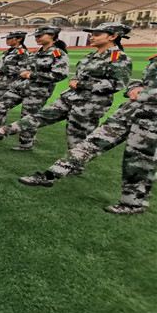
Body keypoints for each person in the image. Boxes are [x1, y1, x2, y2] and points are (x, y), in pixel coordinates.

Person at [17, 51, 156, 215]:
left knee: (139, 160)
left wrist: (144, 94)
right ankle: (50, 175)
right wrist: (135, 87)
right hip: (128, 112)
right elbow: (142, 83)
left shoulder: (118, 57)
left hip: (151, 120)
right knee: (90, 143)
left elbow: (126, 85)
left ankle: (133, 203)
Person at [0, 23, 132, 151]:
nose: (92, 37)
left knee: (76, 137)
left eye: (97, 34)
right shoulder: (91, 56)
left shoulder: (119, 58)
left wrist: (81, 84)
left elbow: (117, 84)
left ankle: (73, 163)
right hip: (69, 97)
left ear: (113, 36)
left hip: (90, 103)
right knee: (36, 117)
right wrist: (77, 81)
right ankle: (2, 131)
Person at [0, 25, 70, 151]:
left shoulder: (57, 54)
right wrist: (25, 73)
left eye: (40, 36)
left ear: (52, 36)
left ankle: (25, 144)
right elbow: (23, 68)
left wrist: (33, 75)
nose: (37, 38)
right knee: (0, 104)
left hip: (37, 92)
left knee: (27, 116)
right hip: (21, 87)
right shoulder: (35, 53)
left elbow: (60, 74)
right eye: (36, 36)